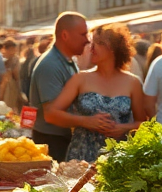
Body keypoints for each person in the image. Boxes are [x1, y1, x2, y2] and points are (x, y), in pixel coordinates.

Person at [44, 25, 147, 161]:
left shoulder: (133, 82)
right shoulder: (80, 79)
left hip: (117, 157)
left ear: (113, 48)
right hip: (81, 157)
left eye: (98, 43)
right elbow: (51, 114)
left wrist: (124, 128)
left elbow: (143, 123)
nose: (91, 48)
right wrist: (85, 121)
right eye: (92, 43)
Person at [29, 12, 90, 162]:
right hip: (52, 141)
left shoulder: (68, 61)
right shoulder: (50, 65)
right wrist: (88, 121)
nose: (87, 40)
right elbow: (51, 115)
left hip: (61, 138)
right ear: (65, 35)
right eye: (83, 34)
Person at [0, 39, 24, 108]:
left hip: (1, 85)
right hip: (10, 86)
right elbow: (16, 74)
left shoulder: (0, 57)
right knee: (10, 106)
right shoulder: (15, 59)